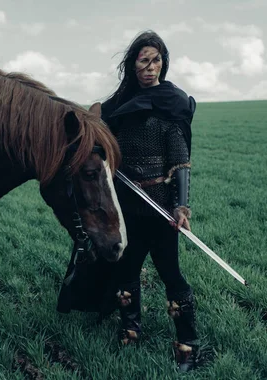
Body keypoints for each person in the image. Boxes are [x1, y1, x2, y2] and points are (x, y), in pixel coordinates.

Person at [99, 30, 199, 372]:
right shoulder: (116, 108)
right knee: (126, 271)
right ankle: (130, 329)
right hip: (127, 205)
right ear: (133, 64)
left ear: (163, 64)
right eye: (144, 60)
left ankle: (187, 343)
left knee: (171, 273)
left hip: (160, 208)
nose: (150, 67)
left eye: (156, 60)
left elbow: (181, 163)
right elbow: (103, 152)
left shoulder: (171, 105)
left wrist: (181, 207)